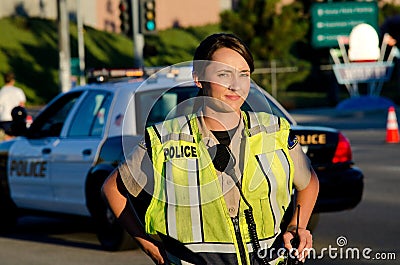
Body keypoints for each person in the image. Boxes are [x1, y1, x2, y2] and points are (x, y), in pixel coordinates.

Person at [102, 33, 319, 265]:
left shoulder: (273, 131)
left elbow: (309, 183)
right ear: (198, 78)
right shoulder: (166, 139)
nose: (235, 85)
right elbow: (113, 189)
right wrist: (152, 249)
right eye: (223, 74)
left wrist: (297, 225)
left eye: (243, 74)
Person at [0, 71, 26, 140]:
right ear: (13, 80)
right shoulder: (18, 91)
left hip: (4, 120)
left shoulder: (1, 92)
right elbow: (22, 105)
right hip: (17, 120)